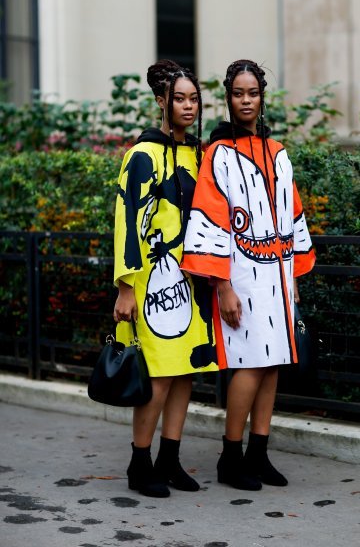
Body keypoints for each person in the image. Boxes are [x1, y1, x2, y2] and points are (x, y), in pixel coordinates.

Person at [181, 59, 316, 491]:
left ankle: (258, 453)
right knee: (249, 365)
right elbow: (210, 220)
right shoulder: (218, 155)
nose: (246, 100)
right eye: (238, 93)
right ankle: (230, 456)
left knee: (272, 364)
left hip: (278, 273)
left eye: (252, 93)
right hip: (240, 276)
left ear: (262, 97)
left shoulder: (278, 153)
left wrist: (292, 276)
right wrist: (222, 286)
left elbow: (293, 215)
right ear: (228, 98)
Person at [113, 59, 218, 498]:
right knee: (155, 377)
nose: (189, 106)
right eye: (180, 99)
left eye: (194, 99)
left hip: (193, 281)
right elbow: (127, 217)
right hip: (153, 283)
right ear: (162, 102)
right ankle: (140, 464)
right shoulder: (142, 155)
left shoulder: (197, 153)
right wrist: (123, 286)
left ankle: (170, 460)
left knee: (185, 371)